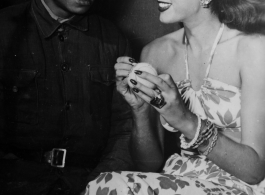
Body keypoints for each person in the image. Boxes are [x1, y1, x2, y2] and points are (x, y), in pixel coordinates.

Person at [83, 0, 265, 194]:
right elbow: (148, 165)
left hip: (239, 185)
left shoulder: (254, 49)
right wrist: (140, 109)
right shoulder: (155, 53)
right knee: (106, 183)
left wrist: (184, 119)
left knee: (111, 186)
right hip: (177, 179)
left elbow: (254, 171)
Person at [0, 0, 134, 194]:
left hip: (89, 182)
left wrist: (99, 186)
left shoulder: (114, 37)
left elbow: (125, 128)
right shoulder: (5, 28)